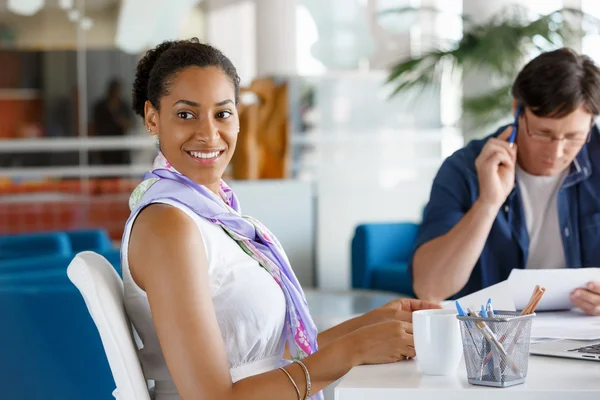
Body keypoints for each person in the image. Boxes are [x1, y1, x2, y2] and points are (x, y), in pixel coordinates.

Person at [122, 38, 440, 400]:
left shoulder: (212, 216)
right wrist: (354, 350)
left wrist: (371, 326)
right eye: (185, 114)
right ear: (152, 117)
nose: (209, 133)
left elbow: (269, 356)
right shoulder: (169, 226)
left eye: (222, 113)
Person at [410, 48, 600, 315]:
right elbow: (430, 288)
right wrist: (488, 203)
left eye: (573, 137)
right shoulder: (464, 169)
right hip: (487, 341)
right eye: (543, 133)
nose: (556, 152)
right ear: (517, 110)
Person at [91, 78, 133, 165]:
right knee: (105, 172)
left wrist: (116, 113)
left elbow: (129, 124)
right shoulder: (100, 107)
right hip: (103, 145)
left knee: (121, 172)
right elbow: (94, 126)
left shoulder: (123, 106)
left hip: (121, 147)